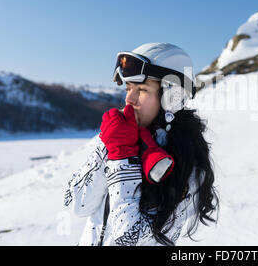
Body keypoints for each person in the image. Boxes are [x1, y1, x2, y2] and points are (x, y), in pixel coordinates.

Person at [64, 43, 219, 246]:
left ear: (172, 97)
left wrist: (122, 158)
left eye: (142, 89)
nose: (129, 98)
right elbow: (76, 205)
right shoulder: (122, 136)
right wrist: (109, 146)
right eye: (128, 88)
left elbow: (127, 239)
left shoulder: (190, 169)